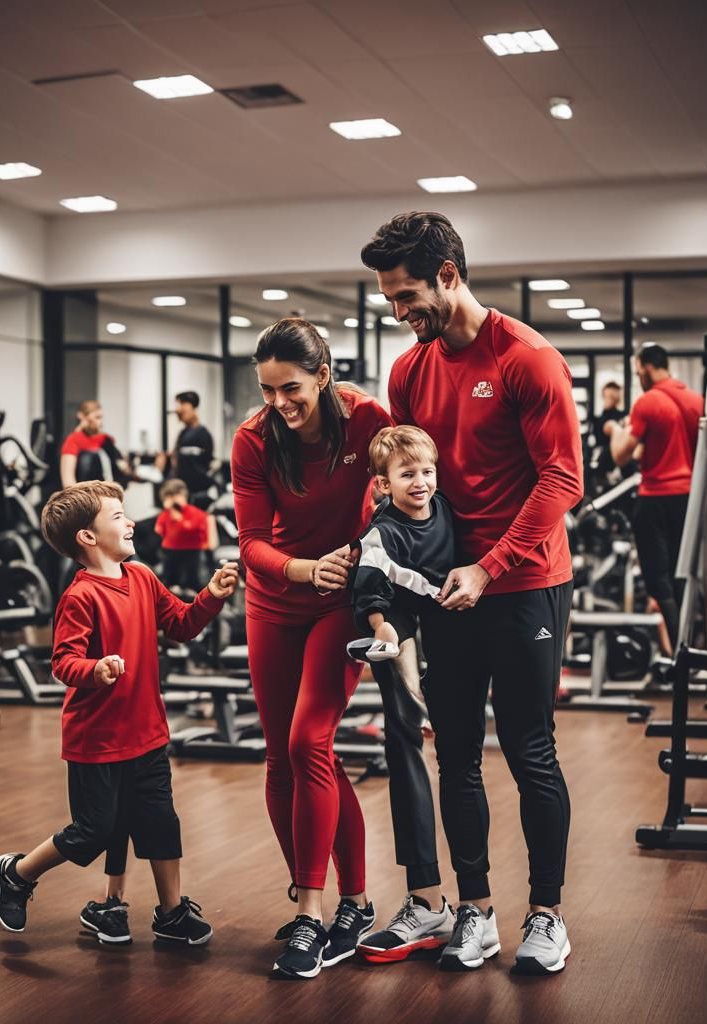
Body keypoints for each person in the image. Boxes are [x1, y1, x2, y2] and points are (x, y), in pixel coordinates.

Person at [362, 211, 584, 976]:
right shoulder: (409, 370)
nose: (400, 312)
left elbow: (563, 478)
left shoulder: (527, 358)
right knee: (454, 754)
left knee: (530, 752)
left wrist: (489, 567)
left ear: (449, 275)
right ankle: (477, 913)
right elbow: (406, 478)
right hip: (445, 594)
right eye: (391, 299)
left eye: (409, 295)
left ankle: (547, 915)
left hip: (523, 586)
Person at [0, 480, 239, 947]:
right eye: (118, 516)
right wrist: (96, 669)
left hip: (147, 732)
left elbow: (182, 625)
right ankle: (19, 873)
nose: (130, 522)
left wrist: (210, 594)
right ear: (87, 537)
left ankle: (170, 914)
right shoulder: (80, 596)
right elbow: (62, 662)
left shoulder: (142, 577)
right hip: (97, 739)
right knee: (94, 831)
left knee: (161, 822)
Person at [231, 318, 392, 980]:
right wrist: (302, 567)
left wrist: (369, 560)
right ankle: (334, 902)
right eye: (267, 391)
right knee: (280, 757)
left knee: (309, 743)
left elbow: (408, 490)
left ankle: (319, 912)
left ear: (323, 375)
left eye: (290, 388)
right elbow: (249, 544)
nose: (279, 404)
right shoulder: (253, 440)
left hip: (338, 603)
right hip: (276, 598)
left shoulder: (367, 421)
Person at [345, 425, 460, 964]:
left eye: (427, 472)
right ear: (382, 484)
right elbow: (370, 589)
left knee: (459, 755)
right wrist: (380, 626)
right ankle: (425, 894)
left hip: (451, 633)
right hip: (399, 634)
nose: (420, 482)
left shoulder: (447, 512)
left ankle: (471, 903)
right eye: (407, 474)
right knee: (407, 741)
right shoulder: (381, 531)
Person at [609, 344, 702, 649]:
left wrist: (616, 431)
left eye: (638, 371)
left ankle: (680, 652)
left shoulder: (647, 402)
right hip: (688, 498)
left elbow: (621, 456)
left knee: (657, 582)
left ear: (647, 367)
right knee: (682, 575)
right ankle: (689, 648)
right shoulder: (695, 400)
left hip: (655, 497)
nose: (638, 377)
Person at [155, 478, 211, 594]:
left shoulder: (196, 513)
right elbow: (159, 529)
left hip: (192, 550)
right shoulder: (165, 514)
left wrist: (179, 519)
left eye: (177, 495)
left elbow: (194, 529)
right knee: (169, 576)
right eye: (170, 497)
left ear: (184, 495)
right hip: (171, 549)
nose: (174, 500)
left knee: (192, 577)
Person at [158, 391, 215, 503]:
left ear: (192, 406)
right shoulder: (183, 433)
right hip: (181, 494)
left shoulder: (202, 434)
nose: (178, 410)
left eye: (182, 405)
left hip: (193, 496)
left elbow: (197, 468)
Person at [59, 400, 130, 488]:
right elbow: (68, 482)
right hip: (87, 495)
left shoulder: (106, 439)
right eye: (97, 417)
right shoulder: (72, 441)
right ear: (83, 417)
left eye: (101, 417)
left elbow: (122, 467)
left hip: (109, 492)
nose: (100, 422)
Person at [591, 380, 624, 480]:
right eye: (608, 396)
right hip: (603, 464)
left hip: (619, 462)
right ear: (603, 396)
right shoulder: (597, 420)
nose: (611, 399)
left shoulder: (623, 417)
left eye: (613, 396)